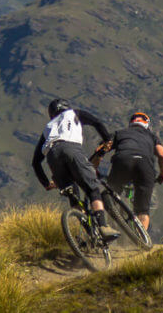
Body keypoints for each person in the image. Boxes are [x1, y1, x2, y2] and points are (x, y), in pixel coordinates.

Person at [31, 97, 120, 240]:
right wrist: (107, 139)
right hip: (71, 149)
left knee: (73, 194)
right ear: (67, 107)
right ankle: (103, 226)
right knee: (92, 189)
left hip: (52, 157)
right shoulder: (74, 113)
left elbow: (35, 162)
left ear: (51, 113)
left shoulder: (48, 127)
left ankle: (90, 232)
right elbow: (96, 122)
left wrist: (46, 183)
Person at [104, 111, 163, 230]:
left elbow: (102, 149)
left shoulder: (119, 133)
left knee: (110, 196)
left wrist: (93, 168)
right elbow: (162, 156)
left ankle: (109, 229)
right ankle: (141, 243)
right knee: (143, 210)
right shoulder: (152, 137)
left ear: (131, 123)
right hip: (145, 166)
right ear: (147, 124)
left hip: (122, 162)